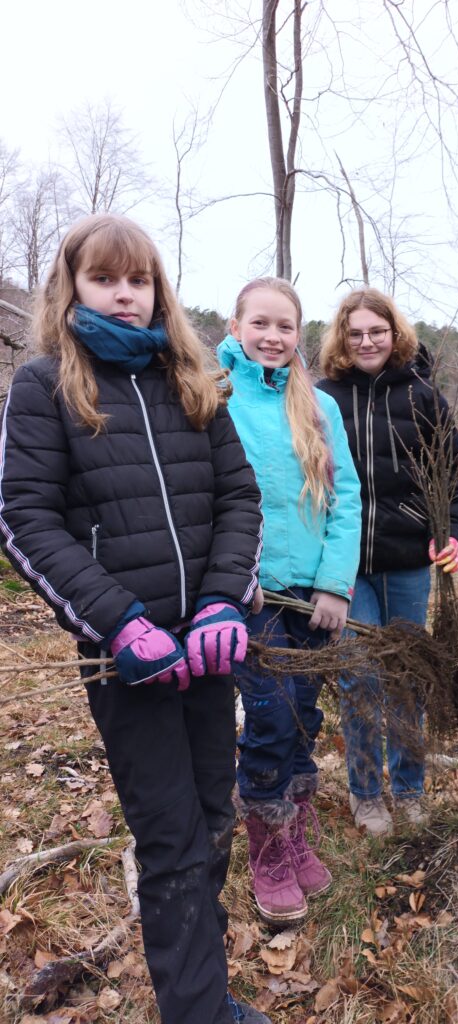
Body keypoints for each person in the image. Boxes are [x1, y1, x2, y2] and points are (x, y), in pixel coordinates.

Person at [0, 214, 271, 1024]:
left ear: (160, 291)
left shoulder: (192, 381)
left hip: (208, 648)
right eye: (105, 278)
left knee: (214, 821)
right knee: (171, 838)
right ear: (72, 287)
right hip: (128, 660)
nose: (125, 294)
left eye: (140, 280)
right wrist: (117, 623)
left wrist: (225, 599)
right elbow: (24, 518)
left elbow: (239, 498)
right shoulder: (46, 386)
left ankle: (206, 992)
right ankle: (197, 1013)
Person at [218, 278, 361, 926]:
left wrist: (334, 583)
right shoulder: (214, 399)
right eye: (261, 324)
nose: (273, 336)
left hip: (312, 593)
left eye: (285, 326)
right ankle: (267, 853)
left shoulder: (319, 406)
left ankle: (294, 833)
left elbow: (347, 499)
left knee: (304, 716)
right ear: (236, 325)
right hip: (252, 591)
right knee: (271, 716)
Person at [318, 288, 458, 837]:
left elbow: (455, 470)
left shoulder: (422, 396)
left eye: (376, 332)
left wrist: (449, 531)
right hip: (345, 567)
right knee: (360, 677)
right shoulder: (323, 397)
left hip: (408, 561)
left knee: (407, 676)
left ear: (394, 333)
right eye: (355, 333)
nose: (366, 342)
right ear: (342, 337)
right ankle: (366, 793)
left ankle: (408, 789)